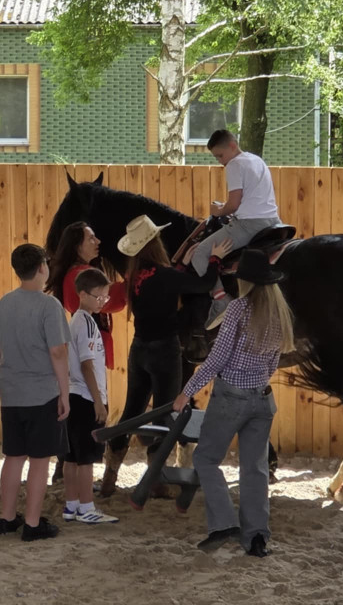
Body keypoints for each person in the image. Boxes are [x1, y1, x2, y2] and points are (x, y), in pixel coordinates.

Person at [173, 249, 294, 558]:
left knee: (206, 459)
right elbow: (271, 364)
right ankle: (256, 539)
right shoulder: (278, 313)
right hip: (262, 399)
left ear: (246, 282)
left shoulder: (239, 309)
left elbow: (216, 360)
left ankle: (225, 523)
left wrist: (187, 391)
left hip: (230, 397)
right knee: (254, 469)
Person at [100, 215, 231, 499]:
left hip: (139, 350)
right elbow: (204, 283)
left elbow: (168, 280)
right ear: (154, 243)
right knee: (166, 413)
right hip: (165, 351)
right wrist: (215, 259)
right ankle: (156, 478)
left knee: (131, 411)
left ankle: (110, 475)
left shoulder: (135, 278)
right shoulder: (165, 276)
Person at [0, 243, 71, 542]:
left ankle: (7, 518)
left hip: (11, 391)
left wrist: (10, 368)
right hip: (41, 393)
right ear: (41, 267)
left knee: (14, 456)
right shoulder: (49, 305)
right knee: (39, 460)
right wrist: (64, 392)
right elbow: (58, 352)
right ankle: (33, 523)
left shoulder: (5, 302)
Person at [191, 129, 282, 327]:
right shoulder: (256, 160)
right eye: (216, 157)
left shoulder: (234, 165)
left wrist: (218, 211)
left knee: (198, 254)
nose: (220, 161)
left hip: (249, 224)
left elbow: (234, 204)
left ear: (232, 146)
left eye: (220, 155)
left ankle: (221, 300)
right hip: (274, 221)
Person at [61, 268, 118, 525]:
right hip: (85, 397)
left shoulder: (80, 320)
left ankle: (71, 505)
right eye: (99, 297)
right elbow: (86, 364)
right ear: (83, 295)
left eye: (106, 297)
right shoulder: (84, 322)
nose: (103, 302)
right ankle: (86, 507)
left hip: (77, 395)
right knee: (86, 458)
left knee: (72, 456)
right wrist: (98, 401)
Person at [46, 221, 127, 369]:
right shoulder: (78, 275)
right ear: (77, 247)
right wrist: (137, 277)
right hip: (88, 347)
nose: (98, 241)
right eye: (91, 238)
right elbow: (113, 298)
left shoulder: (75, 272)